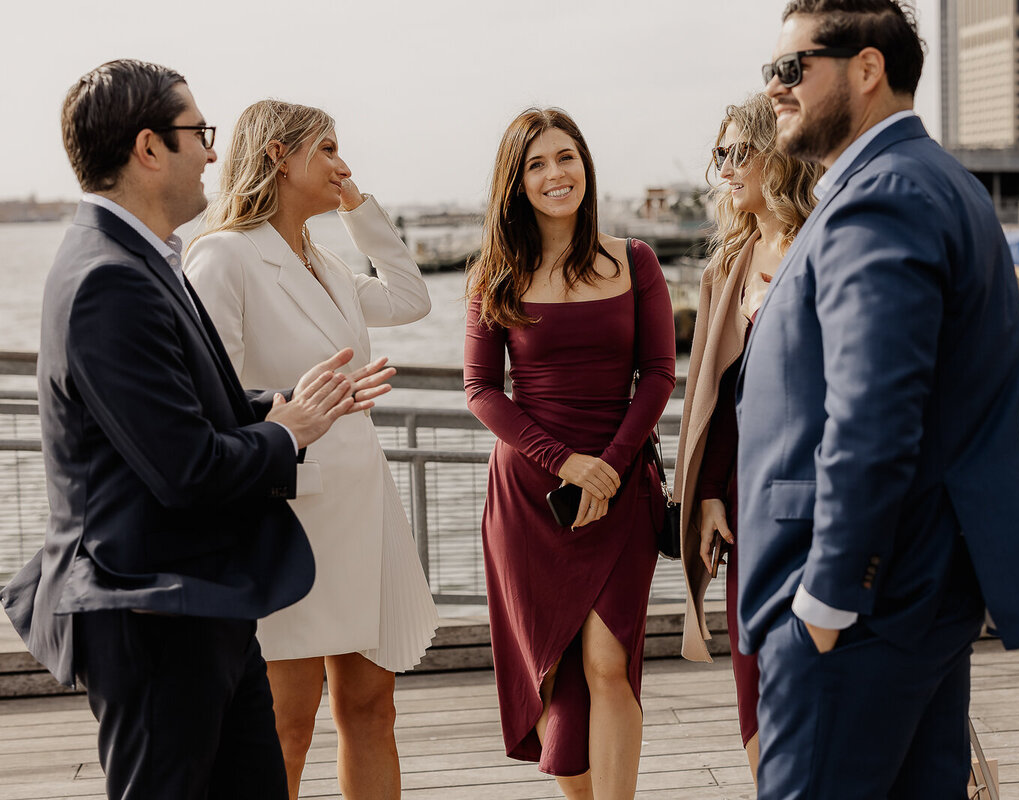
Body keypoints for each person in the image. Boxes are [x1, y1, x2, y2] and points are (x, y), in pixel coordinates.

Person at [0, 59, 395, 800]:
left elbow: (189, 410)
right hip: (151, 613)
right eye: (199, 133)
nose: (214, 152)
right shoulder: (108, 280)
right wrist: (289, 432)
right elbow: (183, 466)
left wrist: (288, 402)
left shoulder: (142, 259)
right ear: (149, 149)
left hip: (204, 603)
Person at [738, 3, 1019, 798]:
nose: (774, 88)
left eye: (791, 67)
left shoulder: (884, 196)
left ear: (867, 69)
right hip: (918, 593)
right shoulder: (939, 183)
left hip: (857, 610)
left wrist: (830, 595)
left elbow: (874, 413)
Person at [185, 100, 439, 800]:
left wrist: (356, 205)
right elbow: (210, 400)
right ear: (277, 155)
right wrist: (291, 403)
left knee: (371, 710)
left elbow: (411, 298)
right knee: (283, 727)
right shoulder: (225, 256)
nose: (342, 164)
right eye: (327, 149)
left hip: (363, 517)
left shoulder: (324, 263)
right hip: (286, 518)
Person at [463, 107, 675, 800]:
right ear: (516, 182)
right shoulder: (493, 273)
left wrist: (609, 465)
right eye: (537, 164)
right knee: (556, 668)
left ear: (585, 164)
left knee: (609, 661)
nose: (556, 174)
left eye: (566, 157)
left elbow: (660, 375)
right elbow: (481, 391)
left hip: (619, 489)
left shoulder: (634, 261)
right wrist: (565, 463)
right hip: (532, 496)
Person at [674, 92, 821, 784]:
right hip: (744, 505)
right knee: (753, 683)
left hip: (819, 501)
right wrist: (705, 496)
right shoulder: (725, 267)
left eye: (740, 151)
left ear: (778, 154)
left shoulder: (826, 243)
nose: (726, 167)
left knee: (819, 680)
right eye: (719, 154)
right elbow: (713, 399)